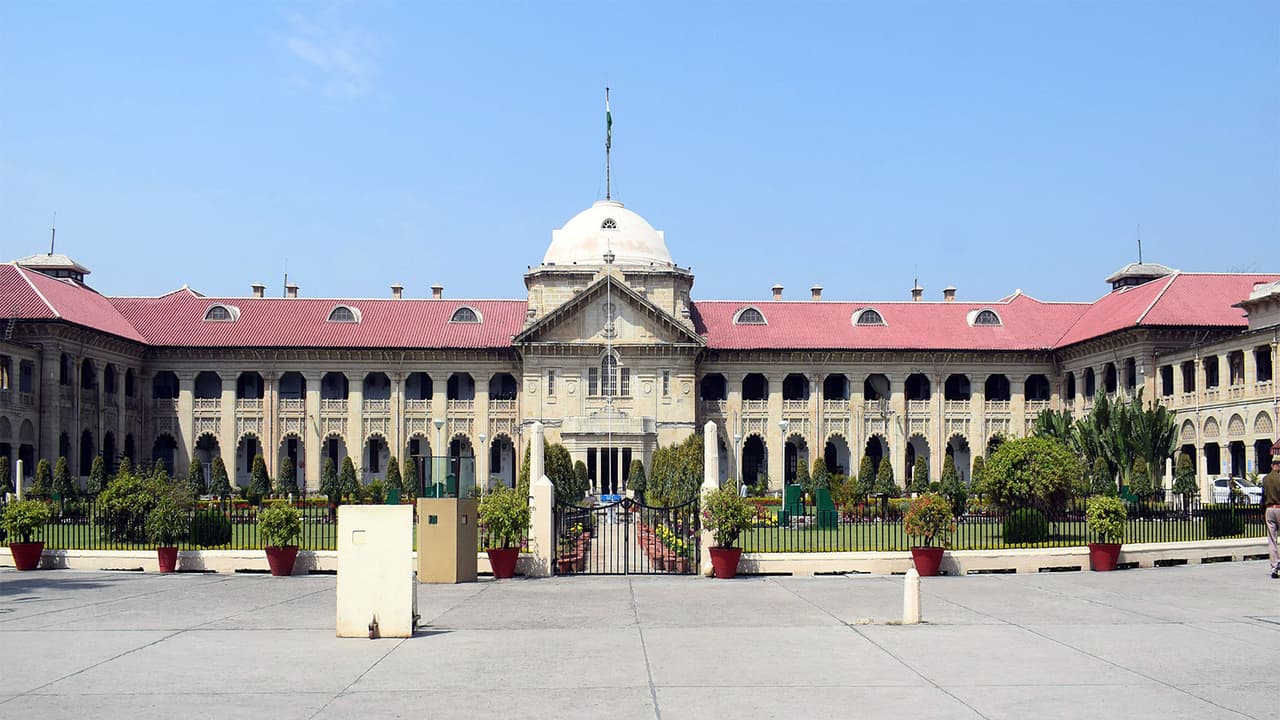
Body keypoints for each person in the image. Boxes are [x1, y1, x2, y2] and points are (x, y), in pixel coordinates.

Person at [1264, 461, 1280, 579]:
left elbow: (1263, 495)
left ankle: (1274, 567)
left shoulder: (1265, 479)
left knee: (1272, 540)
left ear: (1271, 466)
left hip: (1269, 509)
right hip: (1279, 508)